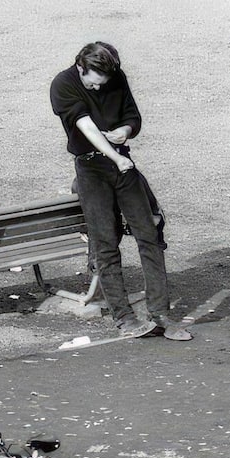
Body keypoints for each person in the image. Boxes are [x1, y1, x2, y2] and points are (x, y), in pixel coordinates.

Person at [49, 42, 191, 341]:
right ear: (80, 68)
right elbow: (86, 127)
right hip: (92, 170)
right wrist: (115, 157)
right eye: (93, 83)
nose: (99, 89)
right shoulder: (63, 84)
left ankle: (160, 313)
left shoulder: (115, 77)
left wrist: (124, 131)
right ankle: (124, 318)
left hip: (122, 164)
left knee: (149, 235)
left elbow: (132, 116)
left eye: (104, 83)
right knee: (105, 244)